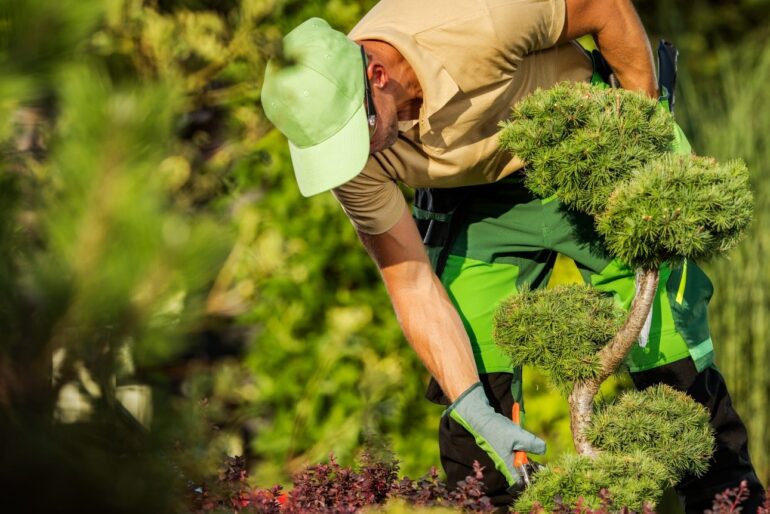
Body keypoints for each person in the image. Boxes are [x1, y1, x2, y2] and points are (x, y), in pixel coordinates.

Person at [261, 0, 765, 511]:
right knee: (472, 425)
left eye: (358, 133)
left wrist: (644, 132)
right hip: (472, 202)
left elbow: (605, 8)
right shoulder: (347, 155)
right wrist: (475, 410)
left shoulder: (475, 17)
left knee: (676, 370)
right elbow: (410, 281)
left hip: (581, 147)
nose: (358, 156)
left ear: (377, 75)